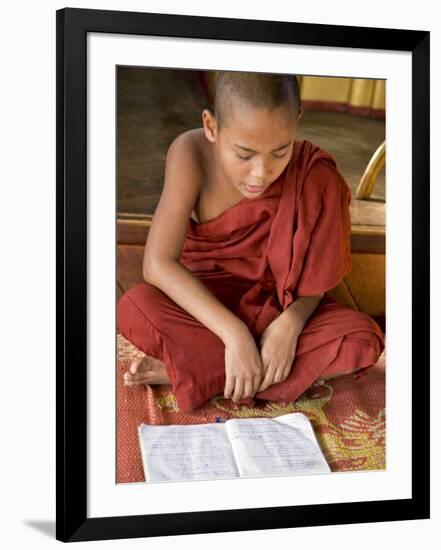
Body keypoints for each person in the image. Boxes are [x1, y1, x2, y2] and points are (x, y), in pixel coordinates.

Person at [117, 71, 385, 412]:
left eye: (280, 151)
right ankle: (228, 366)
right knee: (134, 307)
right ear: (212, 127)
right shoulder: (191, 152)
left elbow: (313, 284)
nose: (262, 172)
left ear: (297, 122)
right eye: (244, 155)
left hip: (279, 305)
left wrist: (290, 325)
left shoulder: (315, 174)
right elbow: (157, 264)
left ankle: (190, 370)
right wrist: (235, 335)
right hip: (206, 306)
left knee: (361, 338)